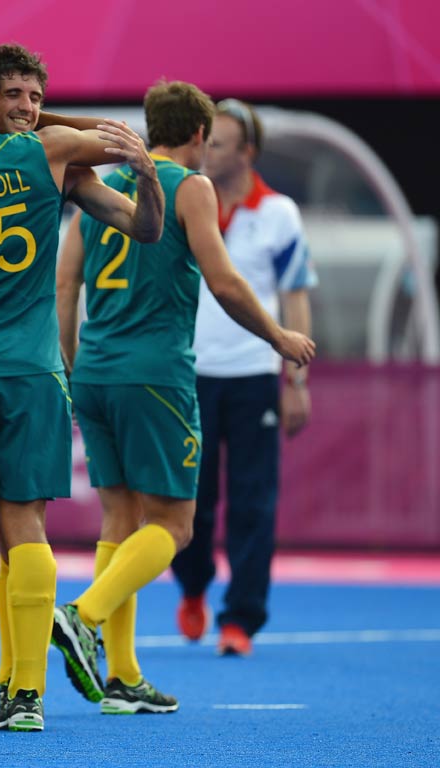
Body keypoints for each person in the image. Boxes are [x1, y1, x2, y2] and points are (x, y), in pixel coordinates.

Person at [0, 35, 165, 732]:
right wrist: (141, 170)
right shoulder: (46, 156)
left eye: (36, 97)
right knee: (20, 527)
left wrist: (138, 179)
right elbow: (143, 222)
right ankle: (23, 693)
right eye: (15, 95)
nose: (28, 107)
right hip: (29, 372)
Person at [52, 81, 315, 714]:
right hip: (157, 372)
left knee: (119, 518)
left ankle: (121, 677)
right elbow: (223, 281)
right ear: (197, 136)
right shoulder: (188, 186)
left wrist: (72, 365)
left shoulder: (100, 187)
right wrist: (278, 335)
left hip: (96, 370)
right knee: (174, 523)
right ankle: (83, 615)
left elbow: (65, 283)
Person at [171, 99, 316, 657]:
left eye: (220, 143)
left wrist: (296, 381)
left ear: (248, 152)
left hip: (255, 374)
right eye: (205, 142)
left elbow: (296, 296)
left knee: (254, 501)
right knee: (191, 500)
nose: (207, 151)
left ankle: (240, 620)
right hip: (191, 374)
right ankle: (192, 585)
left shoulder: (278, 213)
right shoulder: (187, 198)